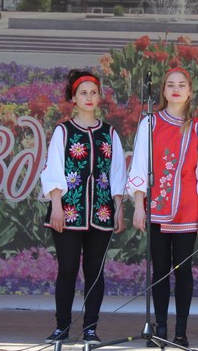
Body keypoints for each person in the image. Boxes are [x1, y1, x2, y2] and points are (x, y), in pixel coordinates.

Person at [127, 67, 198, 348]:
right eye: (170, 85)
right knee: (160, 270)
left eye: (181, 85)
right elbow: (140, 163)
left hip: (188, 209)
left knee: (183, 270)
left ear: (190, 91)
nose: (176, 89)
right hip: (156, 208)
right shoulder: (150, 123)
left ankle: (181, 332)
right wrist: (139, 205)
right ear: (163, 91)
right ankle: (161, 329)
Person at [39, 70, 127, 345]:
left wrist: (118, 207)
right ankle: (62, 327)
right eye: (83, 93)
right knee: (67, 270)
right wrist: (56, 205)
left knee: (94, 272)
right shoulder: (64, 131)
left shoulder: (109, 133)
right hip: (68, 211)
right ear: (74, 98)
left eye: (93, 92)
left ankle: (90, 328)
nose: (89, 97)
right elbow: (54, 169)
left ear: (100, 97)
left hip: (101, 212)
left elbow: (117, 172)